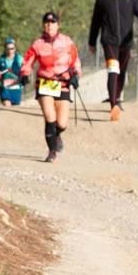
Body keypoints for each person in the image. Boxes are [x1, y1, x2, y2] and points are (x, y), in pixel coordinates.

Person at [19, 12, 81, 163]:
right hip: (45, 82)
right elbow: (27, 61)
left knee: (62, 123)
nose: (49, 25)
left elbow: (75, 61)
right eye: (46, 22)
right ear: (43, 25)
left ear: (58, 25)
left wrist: (76, 75)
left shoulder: (67, 42)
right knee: (49, 116)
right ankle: (52, 151)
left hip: (63, 83)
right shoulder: (37, 44)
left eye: (52, 22)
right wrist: (25, 73)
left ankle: (57, 135)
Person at [0, 37, 24, 106]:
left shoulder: (20, 59)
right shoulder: (0, 60)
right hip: (4, 88)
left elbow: (25, 72)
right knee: (7, 105)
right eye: (8, 48)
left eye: (12, 48)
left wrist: (22, 79)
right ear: (5, 48)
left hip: (16, 87)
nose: (10, 50)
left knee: (15, 108)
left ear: (15, 49)